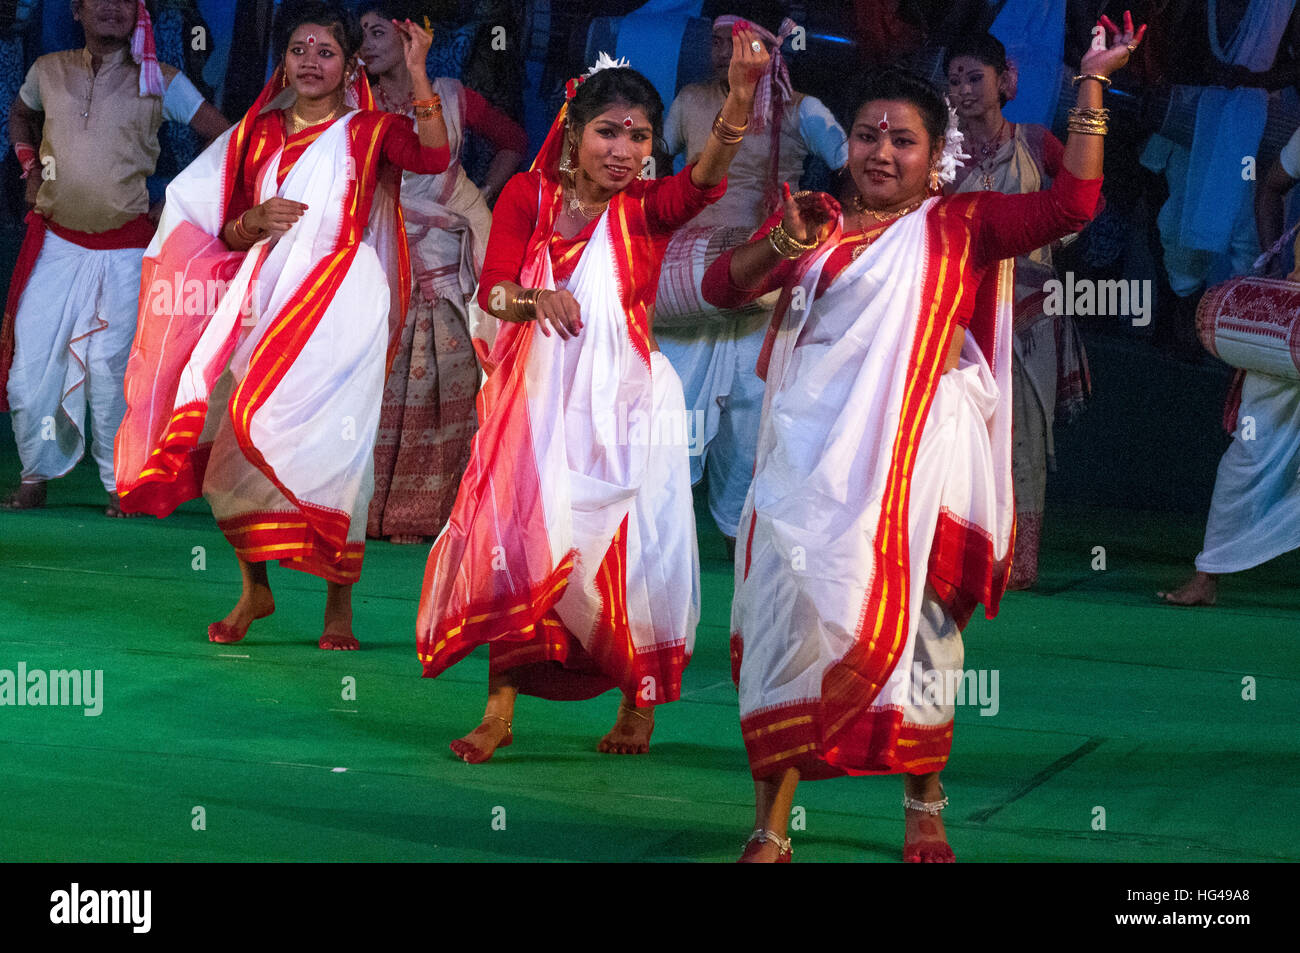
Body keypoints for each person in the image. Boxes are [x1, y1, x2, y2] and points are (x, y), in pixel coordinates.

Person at [705, 14, 1143, 862]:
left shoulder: (961, 224)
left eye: (903, 140)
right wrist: (782, 242)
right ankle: (771, 821)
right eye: (867, 134)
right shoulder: (817, 221)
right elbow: (725, 289)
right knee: (787, 620)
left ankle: (923, 798)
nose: (880, 152)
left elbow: (1074, 202)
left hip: (920, 460)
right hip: (807, 460)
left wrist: (1091, 83)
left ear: (934, 151)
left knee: (925, 629)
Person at [415, 30, 769, 763]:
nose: (623, 148)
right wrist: (533, 299)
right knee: (519, 545)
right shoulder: (528, 195)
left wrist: (738, 98)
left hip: (628, 408)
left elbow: (704, 180)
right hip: (536, 407)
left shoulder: (645, 208)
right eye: (608, 131)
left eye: (638, 136)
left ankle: (637, 702)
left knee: (629, 555)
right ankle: (499, 709)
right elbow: (497, 289)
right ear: (573, 134)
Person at [112, 3, 450, 650]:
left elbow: (433, 159)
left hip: (343, 305)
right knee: (237, 429)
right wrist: (252, 222)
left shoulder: (370, 129)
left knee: (337, 454)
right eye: (300, 49)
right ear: (283, 59)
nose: (311, 62)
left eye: (326, 52)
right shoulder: (254, 135)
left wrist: (417, 70)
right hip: (266, 300)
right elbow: (215, 222)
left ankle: (338, 609)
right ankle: (255, 589)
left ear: (349, 64)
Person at [1, 0, 227, 517]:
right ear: (77, 11)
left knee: (111, 372)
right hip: (56, 243)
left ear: (138, 13)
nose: (111, 8)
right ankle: (35, 474)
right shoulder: (48, 70)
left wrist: (173, 195)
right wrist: (29, 165)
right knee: (31, 368)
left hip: (126, 249)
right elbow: (19, 114)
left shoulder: (161, 79)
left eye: (124, 0)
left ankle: (120, 483)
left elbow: (225, 136)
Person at [657, 14, 847, 551]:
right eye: (716, 42)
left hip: (764, 271)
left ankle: (740, 534)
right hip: (690, 276)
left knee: (750, 403)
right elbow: (658, 161)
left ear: (770, 47)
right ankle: (660, 511)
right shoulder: (691, 99)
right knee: (675, 394)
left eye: (735, 42)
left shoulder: (801, 108)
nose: (722, 53)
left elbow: (847, 164)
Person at [359, 3, 526, 545]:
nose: (366, 42)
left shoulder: (450, 95)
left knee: (442, 383)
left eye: (378, 31)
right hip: (376, 248)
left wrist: (483, 192)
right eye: (358, 33)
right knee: (372, 386)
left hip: (448, 252)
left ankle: (420, 514)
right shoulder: (349, 103)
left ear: (410, 37)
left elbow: (515, 141)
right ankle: (358, 511)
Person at [946, 32, 1091, 590]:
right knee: (961, 430)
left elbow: (1084, 195)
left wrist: (1053, 245)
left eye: (975, 77)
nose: (964, 89)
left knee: (1024, 437)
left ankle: (1018, 563)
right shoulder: (940, 151)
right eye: (954, 80)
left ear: (1004, 80)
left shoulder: (1036, 141)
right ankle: (961, 550)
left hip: (1031, 314)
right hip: (965, 314)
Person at [1157, 121, 1300, 607]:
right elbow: (1272, 186)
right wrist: (1275, 269)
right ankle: (1208, 574)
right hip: (1291, 325)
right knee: (1252, 445)